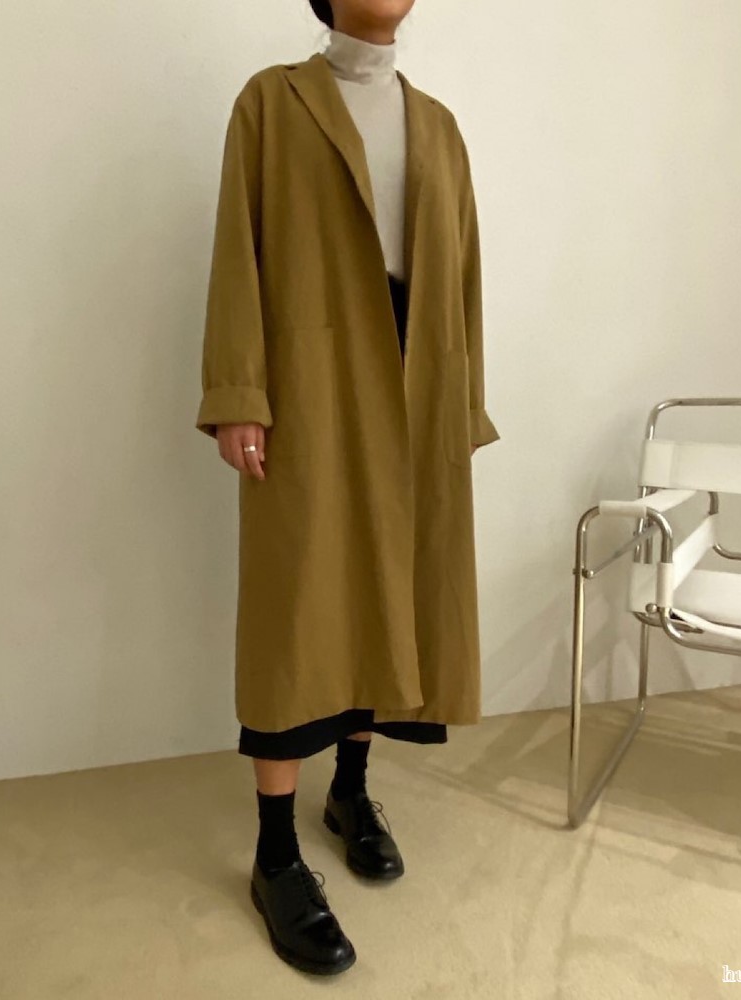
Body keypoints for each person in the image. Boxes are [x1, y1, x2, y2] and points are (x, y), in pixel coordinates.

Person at [194, 0, 499, 976]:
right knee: (296, 606)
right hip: (313, 380)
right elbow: (237, 252)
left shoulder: (438, 125)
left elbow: (461, 280)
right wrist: (238, 393)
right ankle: (275, 854)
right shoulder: (272, 103)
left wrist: (463, 405)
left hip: (416, 381)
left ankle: (350, 790)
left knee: (387, 588)